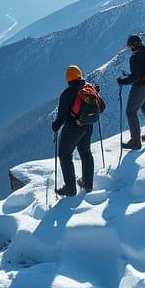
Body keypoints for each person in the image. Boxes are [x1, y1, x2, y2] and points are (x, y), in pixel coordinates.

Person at [51, 65, 104, 196]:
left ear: (68, 79)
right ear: (80, 74)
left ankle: (70, 188)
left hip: (73, 127)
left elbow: (62, 116)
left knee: (65, 154)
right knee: (86, 152)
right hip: (88, 125)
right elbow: (102, 107)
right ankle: (88, 184)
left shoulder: (68, 93)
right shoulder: (89, 87)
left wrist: (55, 126)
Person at [117, 34, 145, 149]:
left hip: (141, 86)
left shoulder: (136, 56)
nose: (129, 48)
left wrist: (123, 81)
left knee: (131, 111)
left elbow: (136, 76)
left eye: (129, 46)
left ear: (133, 45)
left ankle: (135, 141)